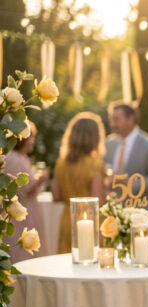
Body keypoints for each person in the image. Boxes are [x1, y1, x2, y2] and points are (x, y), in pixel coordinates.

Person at [51, 112, 106, 253]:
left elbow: (56, 196)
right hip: (89, 221)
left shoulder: (61, 163)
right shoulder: (94, 164)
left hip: (68, 218)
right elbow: (98, 201)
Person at [104, 103, 148, 207]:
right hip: (113, 208)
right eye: (111, 119)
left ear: (131, 119)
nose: (112, 124)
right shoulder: (108, 143)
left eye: (117, 119)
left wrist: (129, 183)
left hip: (141, 209)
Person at [6, 122, 47, 262]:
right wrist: (41, 180)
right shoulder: (19, 160)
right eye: (31, 137)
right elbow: (26, 191)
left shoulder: (8, 157)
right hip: (24, 211)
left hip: (11, 210)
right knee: (24, 252)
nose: (32, 141)